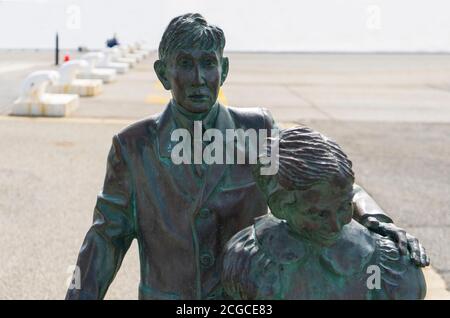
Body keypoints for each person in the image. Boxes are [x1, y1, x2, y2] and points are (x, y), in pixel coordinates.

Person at [66, 13, 428, 300]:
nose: (197, 78)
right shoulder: (134, 146)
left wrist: (378, 220)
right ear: (163, 74)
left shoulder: (256, 130)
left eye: (208, 64)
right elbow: (106, 238)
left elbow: (326, 182)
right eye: (184, 64)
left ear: (223, 70)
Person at [222, 126, 427, 299]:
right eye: (319, 214)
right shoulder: (249, 260)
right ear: (280, 206)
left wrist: (379, 221)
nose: (336, 226)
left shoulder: (392, 264)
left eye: (344, 207)